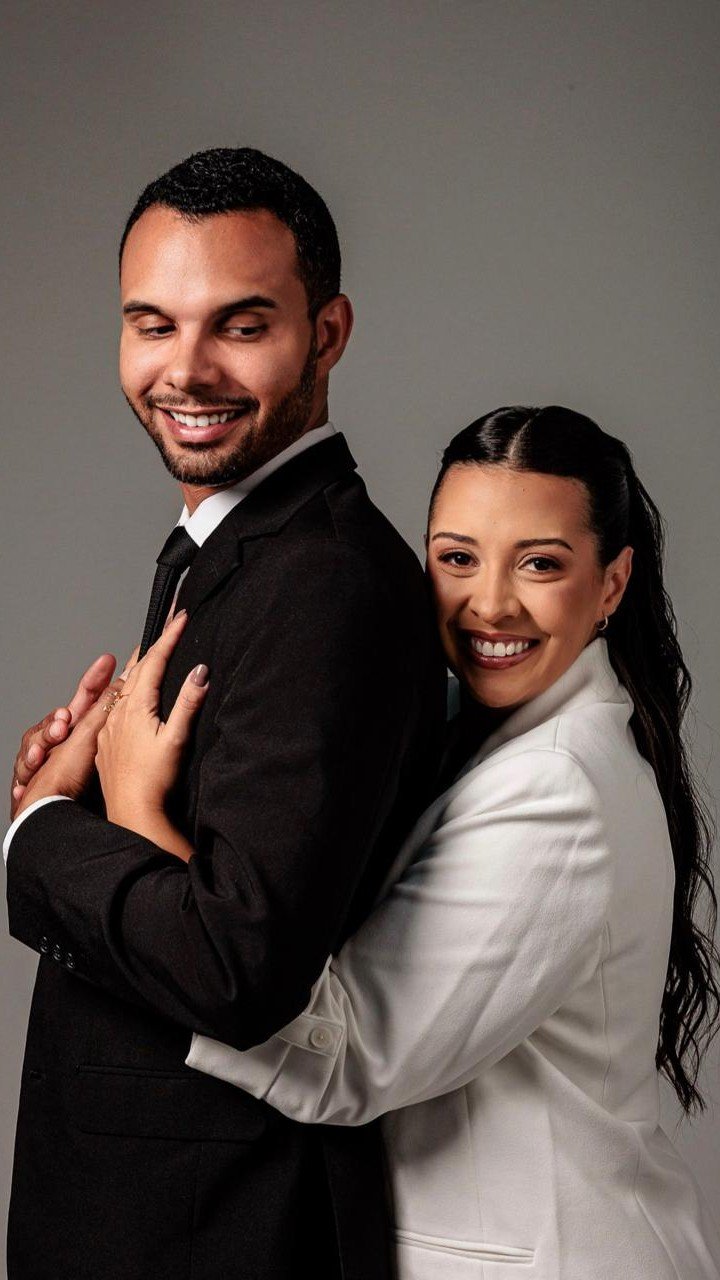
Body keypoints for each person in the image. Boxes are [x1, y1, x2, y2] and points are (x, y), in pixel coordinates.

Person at [93, 405, 720, 1278]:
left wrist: (133, 818)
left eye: (540, 563)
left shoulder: (558, 787)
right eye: (457, 558)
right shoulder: (472, 726)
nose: (489, 603)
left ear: (612, 584)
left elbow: (345, 1059)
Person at [4, 147, 447, 1280]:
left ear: (328, 333)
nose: (186, 370)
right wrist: (97, 803)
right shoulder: (239, 549)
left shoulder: (326, 580)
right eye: (152, 325)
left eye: (241, 326)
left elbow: (236, 966)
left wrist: (42, 834)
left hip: (218, 1233)